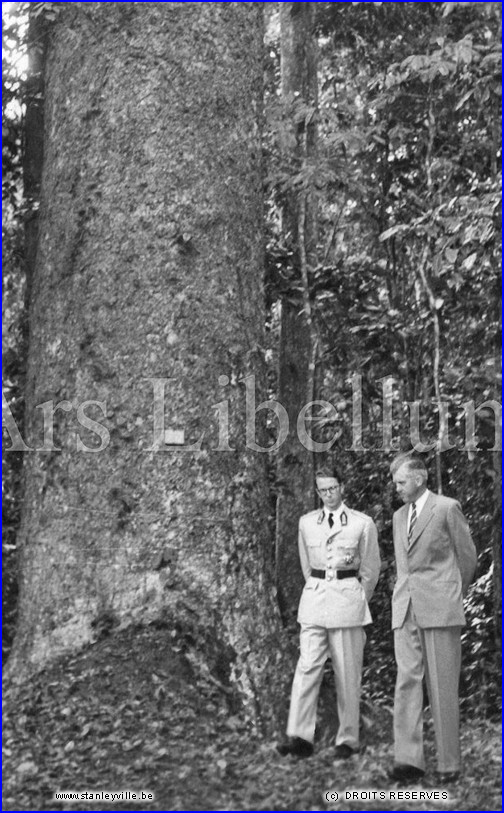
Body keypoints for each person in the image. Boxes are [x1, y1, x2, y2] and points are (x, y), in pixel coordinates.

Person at [277, 464, 381, 759]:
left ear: (342, 487)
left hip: (348, 604)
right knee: (307, 666)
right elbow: (307, 567)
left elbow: (371, 570)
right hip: (314, 603)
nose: (327, 494)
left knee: (347, 672)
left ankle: (347, 740)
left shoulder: (362, 523)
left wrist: (358, 598)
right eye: (322, 490)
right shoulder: (307, 522)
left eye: (332, 488)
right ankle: (299, 737)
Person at [388, 453, 477, 784]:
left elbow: (467, 557)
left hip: (440, 607)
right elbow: (403, 566)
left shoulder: (446, 508)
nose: (396, 488)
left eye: (400, 482)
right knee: (406, 681)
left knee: (442, 686)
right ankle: (408, 761)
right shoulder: (398, 516)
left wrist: (451, 593)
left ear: (419, 479)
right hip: (405, 608)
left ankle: (449, 764)